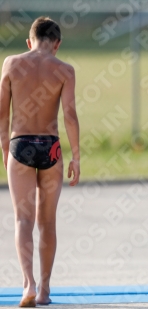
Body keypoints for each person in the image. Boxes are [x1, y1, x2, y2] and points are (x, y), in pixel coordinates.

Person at [0, 16, 80, 307]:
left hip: (20, 143)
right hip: (51, 147)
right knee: (47, 222)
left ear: (28, 41)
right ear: (57, 44)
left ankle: (27, 284)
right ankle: (45, 289)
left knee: (23, 220)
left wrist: (5, 149)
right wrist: (77, 156)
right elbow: (69, 115)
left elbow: (2, 115)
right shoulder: (65, 70)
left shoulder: (11, 63)